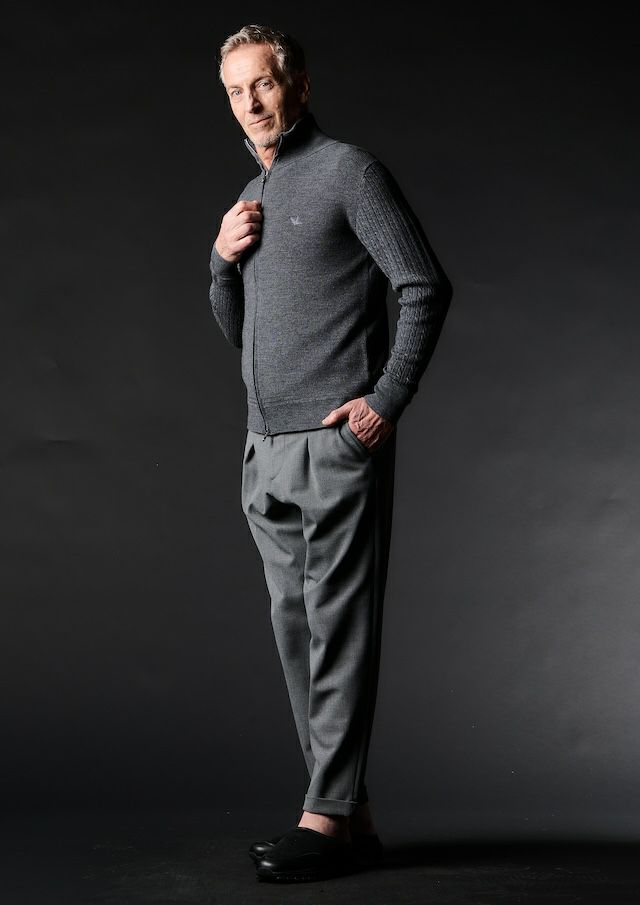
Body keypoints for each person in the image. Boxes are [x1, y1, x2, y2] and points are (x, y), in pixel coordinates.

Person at [209, 24, 453, 883]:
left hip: (333, 442)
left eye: (263, 83)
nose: (250, 103)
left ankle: (321, 817)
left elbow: (423, 284)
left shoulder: (350, 171)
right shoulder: (251, 196)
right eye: (235, 90)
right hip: (265, 447)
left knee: (337, 630)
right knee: (297, 636)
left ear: (299, 85)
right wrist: (221, 263)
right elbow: (243, 338)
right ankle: (352, 816)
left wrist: (384, 401)